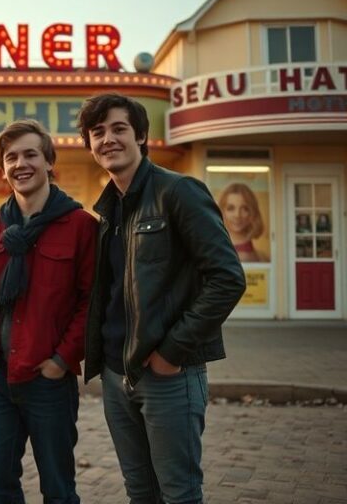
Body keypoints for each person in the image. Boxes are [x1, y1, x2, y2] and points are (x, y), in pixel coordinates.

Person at [77, 93, 245, 504]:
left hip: (168, 375)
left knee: (179, 494)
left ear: (141, 136)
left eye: (119, 129)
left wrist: (171, 351)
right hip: (117, 376)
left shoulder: (179, 191)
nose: (108, 139)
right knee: (140, 493)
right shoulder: (108, 209)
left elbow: (227, 278)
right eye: (97, 132)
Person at [0, 119, 97, 503]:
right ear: (3, 168)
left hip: (48, 378)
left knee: (57, 488)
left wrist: (62, 359)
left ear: (49, 162)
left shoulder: (80, 225)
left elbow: (91, 302)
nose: (20, 164)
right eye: (11, 157)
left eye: (30, 154)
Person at [217, 182, 265, 262]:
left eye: (244, 208)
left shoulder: (258, 257)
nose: (237, 215)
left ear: (253, 212)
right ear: (222, 211)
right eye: (231, 208)